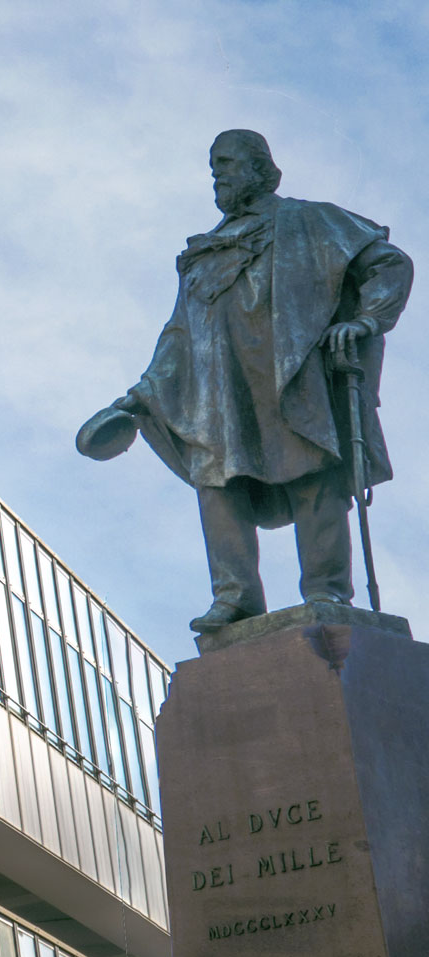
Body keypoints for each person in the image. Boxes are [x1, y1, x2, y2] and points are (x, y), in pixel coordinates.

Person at [101, 130, 413, 633]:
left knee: (315, 478)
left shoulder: (312, 221)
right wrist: (139, 397)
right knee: (218, 483)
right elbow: (179, 334)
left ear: (261, 169)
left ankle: (327, 591)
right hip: (223, 390)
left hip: (293, 374)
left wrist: (366, 320)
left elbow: (388, 264)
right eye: (213, 167)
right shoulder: (203, 256)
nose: (217, 174)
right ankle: (236, 595)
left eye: (226, 163)